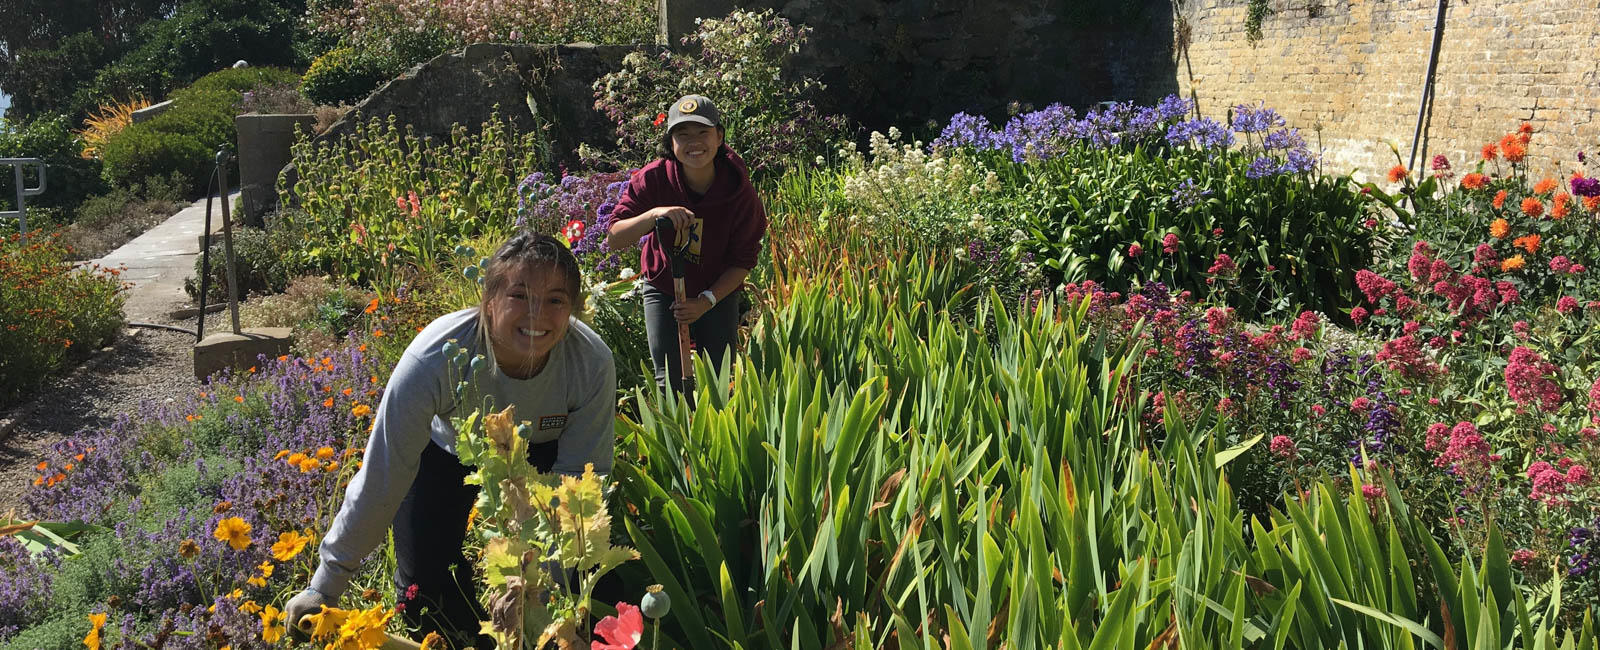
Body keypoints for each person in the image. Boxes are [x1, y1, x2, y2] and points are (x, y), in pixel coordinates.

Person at [285, 232, 617, 647]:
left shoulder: (591, 362)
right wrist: (325, 586)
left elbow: (582, 481)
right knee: (426, 597)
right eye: (520, 295)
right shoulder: (437, 356)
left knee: (590, 589)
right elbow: (384, 476)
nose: (538, 315)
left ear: (572, 310)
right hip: (449, 457)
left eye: (555, 300)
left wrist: (545, 606)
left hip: (546, 460)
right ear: (489, 300)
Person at [604, 94, 768, 395]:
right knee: (669, 382)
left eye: (703, 132)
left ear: (719, 136)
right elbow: (615, 237)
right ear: (671, 142)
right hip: (664, 284)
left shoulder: (738, 190)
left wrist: (705, 301)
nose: (694, 143)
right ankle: (679, 438)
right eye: (683, 134)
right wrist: (654, 215)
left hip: (717, 288)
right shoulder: (653, 179)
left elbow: (743, 260)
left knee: (719, 380)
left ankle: (716, 437)